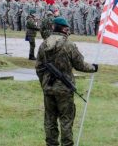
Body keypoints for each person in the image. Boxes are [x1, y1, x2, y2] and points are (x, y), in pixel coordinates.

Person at [35, 17, 98, 146]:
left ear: (53, 27)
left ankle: (51, 144)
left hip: (48, 88)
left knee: (50, 119)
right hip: (64, 89)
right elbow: (80, 65)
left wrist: (44, 83)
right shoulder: (68, 45)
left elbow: (38, 67)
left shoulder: (44, 44)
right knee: (66, 119)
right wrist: (93, 68)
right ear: (64, 29)